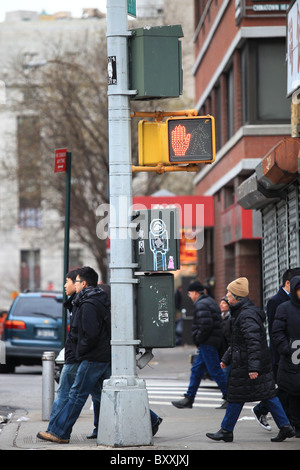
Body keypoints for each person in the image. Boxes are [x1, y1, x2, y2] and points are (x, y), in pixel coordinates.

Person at [206, 277, 295, 443]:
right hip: (247, 363)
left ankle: (226, 430)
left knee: (240, 397)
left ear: (237, 297)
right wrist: (226, 358)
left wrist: (254, 367)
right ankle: (285, 427)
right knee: (263, 396)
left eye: (229, 294)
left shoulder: (246, 315)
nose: (226, 296)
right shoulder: (242, 313)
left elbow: (254, 343)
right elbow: (238, 342)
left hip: (249, 365)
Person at [37, 266, 111, 444]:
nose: (69, 285)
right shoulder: (91, 299)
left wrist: (81, 352)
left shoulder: (89, 303)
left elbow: (90, 335)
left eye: (74, 281)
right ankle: (151, 420)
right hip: (97, 355)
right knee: (106, 394)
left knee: (76, 394)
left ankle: (59, 432)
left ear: (83, 283)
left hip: (92, 356)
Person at [252, 267, 300, 430]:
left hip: (296, 353)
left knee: (288, 388)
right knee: (284, 388)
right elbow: (275, 331)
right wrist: (283, 352)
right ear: (288, 283)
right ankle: (264, 410)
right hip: (282, 354)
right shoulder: (275, 301)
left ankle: (287, 421)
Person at [172, 280, 227, 409]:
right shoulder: (209, 301)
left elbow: (205, 326)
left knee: (215, 371)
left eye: (190, 293)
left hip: (207, 343)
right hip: (208, 342)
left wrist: (197, 338)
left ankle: (229, 396)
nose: (190, 296)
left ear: (196, 292)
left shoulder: (202, 304)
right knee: (196, 370)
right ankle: (189, 398)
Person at [46, 269, 79, 431]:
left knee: (65, 394)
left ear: (79, 283)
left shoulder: (81, 302)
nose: (65, 285)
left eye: (67, 282)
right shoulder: (76, 302)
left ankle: (54, 430)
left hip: (77, 356)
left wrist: (75, 353)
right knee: (100, 392)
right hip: (80, 355)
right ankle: (151, 420)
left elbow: (84, 334)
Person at [272, 275, 300, 437]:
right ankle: (294, 424)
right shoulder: (284, 308)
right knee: (293, 392)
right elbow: (277, 332)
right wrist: (285, 348)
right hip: (292, 356)